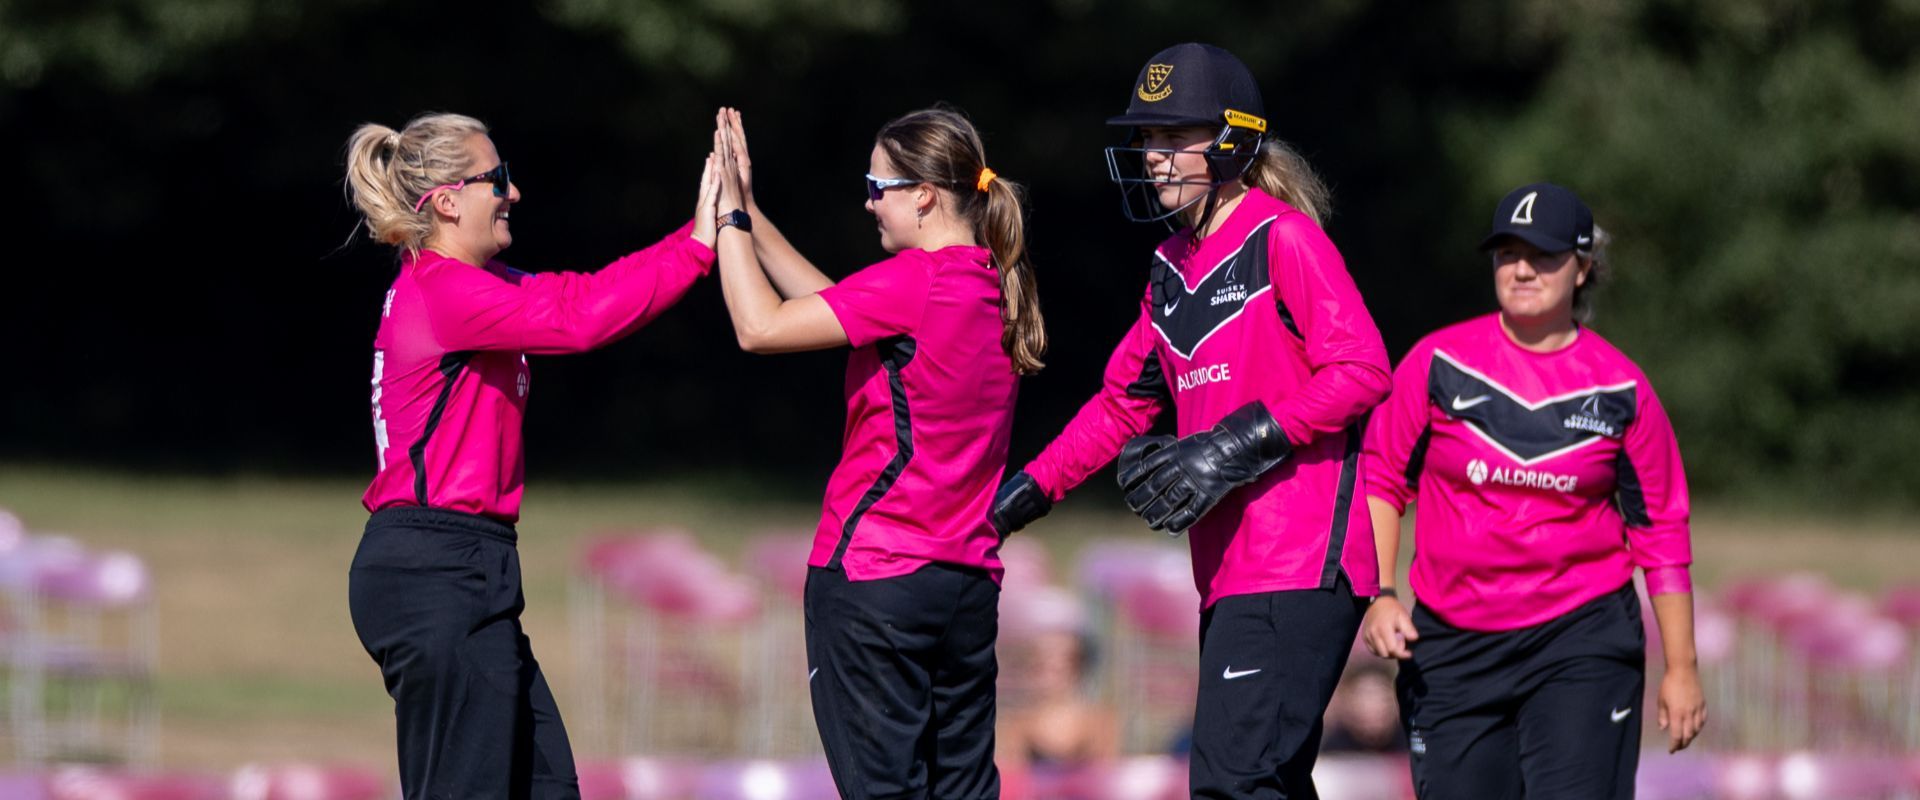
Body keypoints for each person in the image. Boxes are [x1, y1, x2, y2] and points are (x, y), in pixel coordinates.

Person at [991, 43, 1392, 799]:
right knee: (1258, 782)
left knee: (1232, 784)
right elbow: (1120, 406)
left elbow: (1364, 371)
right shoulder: (1170, 267)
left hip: (1302, 557)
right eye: (1147, 140)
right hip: (1231, 569)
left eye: (1174, 139)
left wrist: (1232, 444)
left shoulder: (1285, 239)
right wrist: (1016, 501)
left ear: (1233, 142)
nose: (1153, 158)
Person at [342, 112, 719, 799]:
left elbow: (580, 296)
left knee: (547, 786)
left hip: (467, 569)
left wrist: (696, 239)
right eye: (498, 179)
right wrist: (697, 244)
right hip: (438, 569)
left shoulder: (473, 287)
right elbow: (580, 321)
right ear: (449, 200)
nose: (513, 193)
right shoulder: (446, 291)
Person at [703, 105, 1044, 800]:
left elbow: (756, 328)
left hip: (873, 581)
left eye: (878, 185)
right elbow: (836, 306)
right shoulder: (987, 283)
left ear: (923, 195)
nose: (868, 202)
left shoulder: (914, 282)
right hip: (963, 589)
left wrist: (726, 220)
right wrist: (752, 207)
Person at [1359, 182, 1707, 799]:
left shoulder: (1622, 389)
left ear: (1582, 269)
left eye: (1543, 255)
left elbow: (1662, 536)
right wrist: (1381, 594)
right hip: (1453, 640)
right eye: (1506, 253)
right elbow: (1381, 480)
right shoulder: (1436, 364)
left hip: (1581, 638)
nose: (1522, 269)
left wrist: (1682, 668)